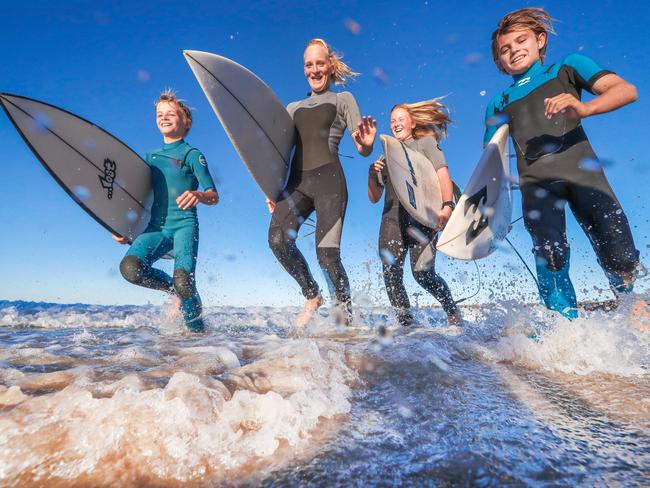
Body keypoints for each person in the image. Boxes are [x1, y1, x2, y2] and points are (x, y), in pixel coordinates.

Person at [485, 8, 640, 319]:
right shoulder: (498, 102)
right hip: (537, 187)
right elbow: (491, 158)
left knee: (620, 255)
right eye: (505, 49)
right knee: (550, 258)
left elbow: (626, 91)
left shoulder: (566, 68)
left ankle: (629, 306)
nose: (514, 50)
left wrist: (585, 108)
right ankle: (565, 330)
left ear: (540, 39)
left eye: (521, 40)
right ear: (499, 61)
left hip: (583, 175)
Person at [267, 38, 376, 326]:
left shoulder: (343, 100)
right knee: (277, 240)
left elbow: (362, 147)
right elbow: (280, 154)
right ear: (304, 69)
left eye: (319, 63)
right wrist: (270, 188)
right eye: (308, 64)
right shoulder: (292, 107)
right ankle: (312, 295)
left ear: (330, 66)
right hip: (295, 185)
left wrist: (366, 145)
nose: (314, 69)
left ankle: (346, 325)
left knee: (327, 255)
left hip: (330, 182)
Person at [113, 90, 218, 332]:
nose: (164, 117)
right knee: (130, 269)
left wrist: (199, 195)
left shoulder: (192, 155)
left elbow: (214, 195)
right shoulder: (149, 158)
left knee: (185, 280)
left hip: (184, 225)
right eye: (160, 114)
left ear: (186, 121)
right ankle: (177, 291)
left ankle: (198, 335)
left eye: (171, 113)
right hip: (156, 228)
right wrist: (124, 228)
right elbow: (139, 199)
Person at [368, 100, 461, 326]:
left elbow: (442, 174)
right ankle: (407, 328)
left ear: (412, 123)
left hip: (423, 219)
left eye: (401, 119)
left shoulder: (426, 144)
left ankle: (452, 312)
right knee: (391, 275)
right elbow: (374, 197)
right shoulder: (386, 155)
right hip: (392, 219)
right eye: (392, 121)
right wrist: (372, 174)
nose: (396, 124)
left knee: (422, 274)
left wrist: (448, 205)